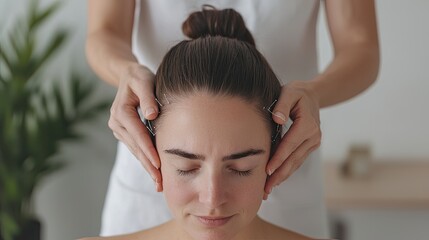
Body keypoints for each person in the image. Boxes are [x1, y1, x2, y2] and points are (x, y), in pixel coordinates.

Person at [86, 0, 379, 237]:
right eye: (188, 166)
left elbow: (360, 45)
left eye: (239, 167)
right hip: (154, 180)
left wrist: (313, 94)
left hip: (285, 168)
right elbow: (104, 30)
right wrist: (125, 71)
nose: (212, 200)